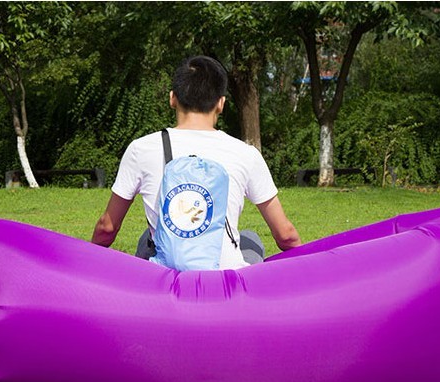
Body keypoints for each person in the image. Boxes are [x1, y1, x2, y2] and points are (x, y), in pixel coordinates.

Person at [92, 55, 301, 269]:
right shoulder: (245, 153)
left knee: (148, 238)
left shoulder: (141, 149)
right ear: (221, 103)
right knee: (250, 239)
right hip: (224, 277)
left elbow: (107, 228)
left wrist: (85, 265)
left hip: (167, 276)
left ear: (172, 98)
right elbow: (286, 235)